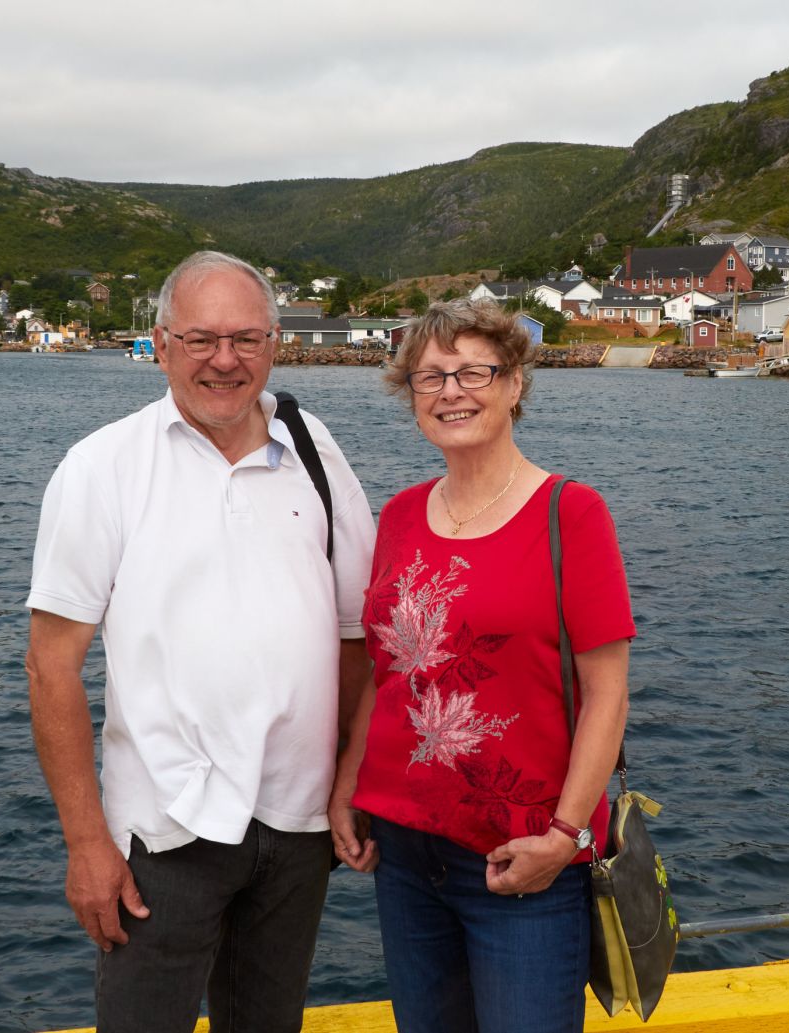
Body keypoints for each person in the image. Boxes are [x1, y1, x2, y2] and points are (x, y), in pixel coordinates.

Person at [25, 250, 375, 1033]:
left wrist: (352, 777)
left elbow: (360, 638)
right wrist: (87, 844)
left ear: (275, 344)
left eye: (247, 338)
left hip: (299, 824)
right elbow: (51, 667)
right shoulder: (102, 467)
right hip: (165, 832)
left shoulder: (314, 450)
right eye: (201, 339)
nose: (225, 359)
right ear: (159, 344)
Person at [328, 299, 634, 1033]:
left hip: (526, 859)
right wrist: (347, 787)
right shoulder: (399, 515)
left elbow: (608, 693)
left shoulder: (570, 513)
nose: (451, 392)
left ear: (515, 383)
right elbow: (385, 670)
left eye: (473, 371)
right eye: (429, 377)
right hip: (404, 853)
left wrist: (562, 838)